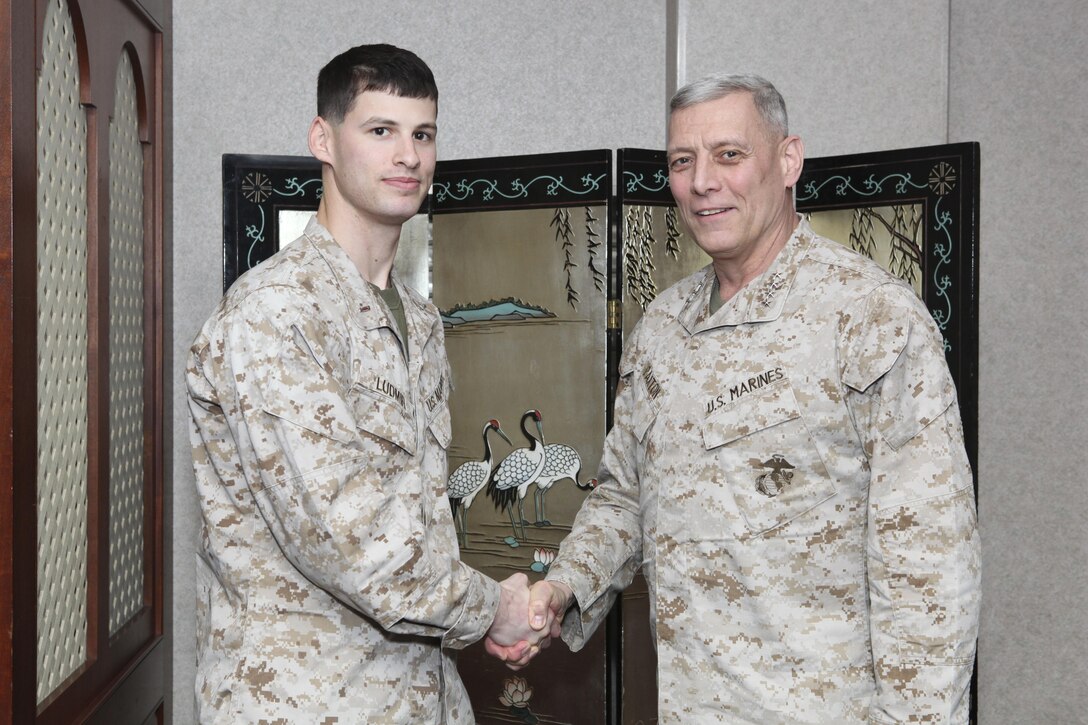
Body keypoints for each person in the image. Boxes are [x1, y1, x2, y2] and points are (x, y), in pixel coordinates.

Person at [490, 74, 981, 723]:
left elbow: (931, 563)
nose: (702, 182)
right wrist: (562, 588)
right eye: (681, 161)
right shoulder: (662, 328)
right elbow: (625, 496)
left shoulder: (870, 319)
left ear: (788, 159)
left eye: (729, 155)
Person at [187, 44, 547, 723]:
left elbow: (418, 525)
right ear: (323, 140)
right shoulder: (277, 313)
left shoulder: (418, 318)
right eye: (381, 130)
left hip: (420, 692)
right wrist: (497, 608)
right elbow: (353, 546)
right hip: (307, 700)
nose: (407, 156)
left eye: (423, 134)